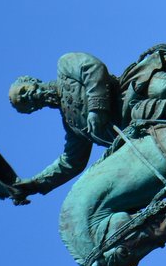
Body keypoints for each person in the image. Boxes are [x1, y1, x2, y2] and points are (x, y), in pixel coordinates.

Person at [7, 52, 121, 197]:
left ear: (31, 80)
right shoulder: (72, 126)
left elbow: (92, 68)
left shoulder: (65, 66)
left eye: (23, 91)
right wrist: (35, 183)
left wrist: (96, 108)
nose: (26, 96)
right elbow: (72, 162)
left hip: (131, 97)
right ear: (32, 109)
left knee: (158, 87)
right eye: (23, 102)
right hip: (130, 138)